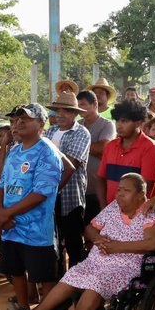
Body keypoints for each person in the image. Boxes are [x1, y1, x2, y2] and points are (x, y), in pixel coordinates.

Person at [5, 173, 155, 310]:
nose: (120, 194)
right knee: (73, 275)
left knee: (97, 281)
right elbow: (90, 228)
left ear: (141, 195)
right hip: (99, 260)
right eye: (118, 190)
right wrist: (97, 238)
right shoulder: (113, 207)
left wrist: (117, 247)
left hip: (128, 266)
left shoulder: (150, 212)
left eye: (126, 190)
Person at [0, 103, 64, 310]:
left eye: (25, 119)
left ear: (41, 124)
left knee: (44, 276)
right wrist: (0, 211)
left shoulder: (47, 152)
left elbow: (41, 193)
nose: (19, 122)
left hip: (36, 230)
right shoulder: (15, 151)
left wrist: (7, 213)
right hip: (11, 227)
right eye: (16, 119)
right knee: (15, 270)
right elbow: (2, 185)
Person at [44, 91, 91, 270]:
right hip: (49, 194)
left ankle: (76, 286)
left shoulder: (81, 133)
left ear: (75, 114)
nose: (61, 114)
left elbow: (71, 164)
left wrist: (52, 188)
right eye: (58, 110)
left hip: (70, 196)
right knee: (53, 241)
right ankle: (58, 285)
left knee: (73, 243)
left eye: (67, 111)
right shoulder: (51, 130)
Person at [97, 98, 155, 206]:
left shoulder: (150, 148)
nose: (119, 125)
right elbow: (101, 179)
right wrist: (104, 209)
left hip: (137, 215)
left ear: (138, 123)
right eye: (117, 121)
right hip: (109, 212)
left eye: (124, 121)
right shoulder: (110, 146)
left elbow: (146, 187)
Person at [75, 90, 115, 225]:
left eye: (83, 104)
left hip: (97, 187)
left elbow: (103, 149)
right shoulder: (77, 125)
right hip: (78, 188)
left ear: (95, 104)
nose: (80, 108)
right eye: (78, 105)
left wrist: (77, 146)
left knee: (97, 226)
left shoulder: (107, 124)